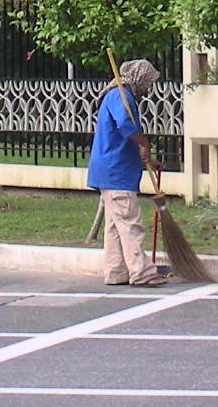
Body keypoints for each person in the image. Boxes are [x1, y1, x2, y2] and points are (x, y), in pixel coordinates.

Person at [87, 58, 169, 286]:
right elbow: (124, 125)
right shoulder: (120, 95)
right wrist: (145, 142)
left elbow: (124, 137)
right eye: (148, 82)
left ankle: (116, 271)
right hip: (116, 172)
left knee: (115, 225)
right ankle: (142, 272)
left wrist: (148, 158)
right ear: (140, 78)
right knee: (130, 222)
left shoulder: (120, 95)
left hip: (111, 171)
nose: (149, 88)